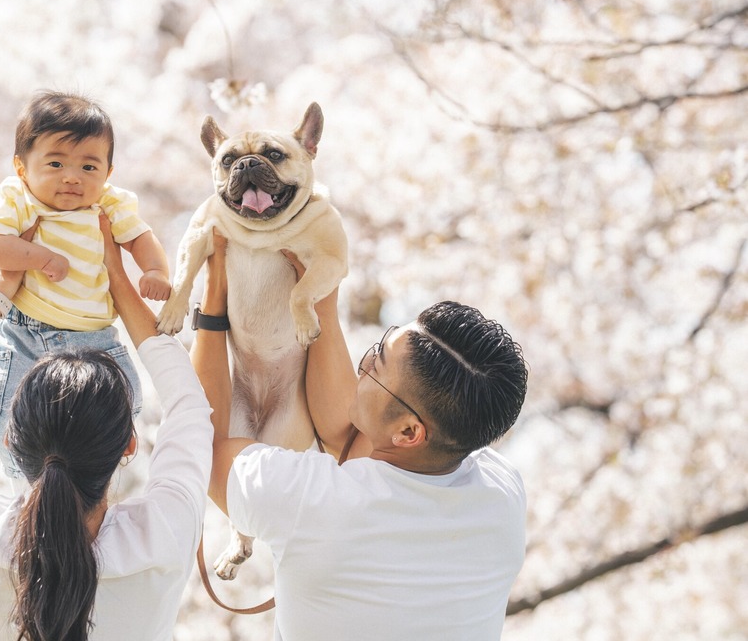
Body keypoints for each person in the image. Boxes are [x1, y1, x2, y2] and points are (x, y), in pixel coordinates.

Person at [192, 232, 529, 640]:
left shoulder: (314, 502)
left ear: (408, 432)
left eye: (377, 362)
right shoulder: (501, 492)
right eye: (379, 343)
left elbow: (204, 445)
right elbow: (346, 429)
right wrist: (322, 309)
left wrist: (213, 306)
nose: (363, 363)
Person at [0, 219, 212, 641]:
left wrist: (0, 291)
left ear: (10, 439)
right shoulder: (161, 534)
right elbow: (190, 408)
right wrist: (117, 280)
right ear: (130, 444)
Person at [0, 90, 171, 477]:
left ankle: (90, 479)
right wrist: (40, 259)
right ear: (23, 167)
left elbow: (140, 237)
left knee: (128, 407)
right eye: (56, 163)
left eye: (89, 167)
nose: (72, 177)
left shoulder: (108, 204)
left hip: (97, 335)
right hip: (27, 334)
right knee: (2, 417)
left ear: (108, 173)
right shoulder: (17, 198)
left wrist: (155, 271)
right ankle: (25, 482)